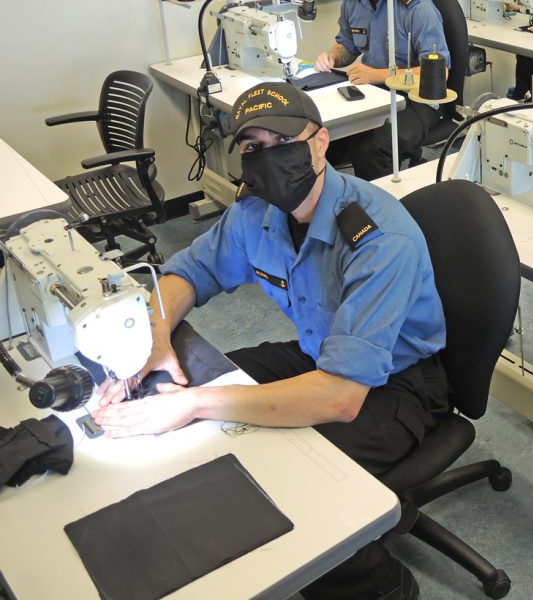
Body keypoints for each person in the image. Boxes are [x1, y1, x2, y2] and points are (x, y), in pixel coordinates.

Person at [92, 82, 447, 600]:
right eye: (252, 148)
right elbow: (189, 273)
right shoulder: (256, 214)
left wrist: (196, 406)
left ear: (321, 143)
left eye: (281, 141)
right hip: (319, 353)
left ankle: (378, 583)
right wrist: (154, 337)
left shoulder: (377, 239)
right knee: (199, 373)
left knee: (286, 479)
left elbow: (339, 398)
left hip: (397, 386)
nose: (265, 159)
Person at [315, 0, 451, 180]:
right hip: (373, 95)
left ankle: (385, 212)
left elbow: (439, 75)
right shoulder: (353, 1)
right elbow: (347, 46)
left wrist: (378, 75)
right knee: (323, 137)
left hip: (418, 101)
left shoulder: (416, 8)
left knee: (370, 148)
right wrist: (332, 56)